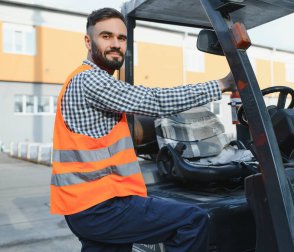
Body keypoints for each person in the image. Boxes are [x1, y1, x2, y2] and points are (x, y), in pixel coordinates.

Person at [50, 7, 236, 252]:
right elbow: (155, 101)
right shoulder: (89, 80)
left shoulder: (89, 80)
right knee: (191, 221)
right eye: (106, 36)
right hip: (100, 205)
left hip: (89, 206)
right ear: (88, 41)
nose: (116, 44)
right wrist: (222, 84)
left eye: (121, 38)